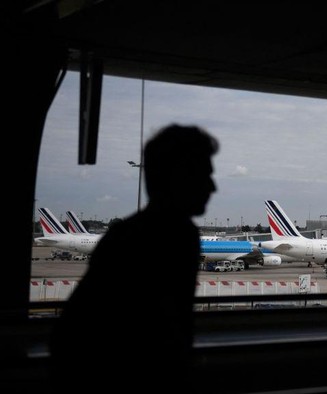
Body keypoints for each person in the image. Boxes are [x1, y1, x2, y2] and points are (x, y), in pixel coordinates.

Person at [49, 124, 219, 392]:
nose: (213, 186)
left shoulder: (174, 234)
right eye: (203, 174)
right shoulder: (151, 238)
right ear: (176, 177)